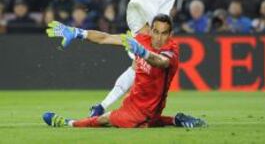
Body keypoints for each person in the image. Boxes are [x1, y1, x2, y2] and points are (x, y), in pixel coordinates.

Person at [42, 14, 205, 129]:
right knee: (150, 120)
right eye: (156, 32)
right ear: (151, 31)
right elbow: (105, 38)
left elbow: (162, 62)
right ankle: (176, 120)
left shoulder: (171, 50)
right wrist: (79, 33)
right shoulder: (142, 40)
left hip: (141, 112)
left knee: (102, 120)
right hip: (139, 105)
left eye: (164, 33)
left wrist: (142, 53)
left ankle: (67, 123)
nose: (159, 38)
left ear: (170, 34)